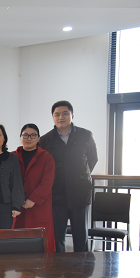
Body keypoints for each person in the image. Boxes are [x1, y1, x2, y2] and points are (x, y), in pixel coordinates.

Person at [39, 100, 98, 253]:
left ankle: (82, 267)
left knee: (81, 234)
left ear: (72, 116)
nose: (61, 117)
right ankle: (59, 267)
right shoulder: (45, 140)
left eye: (65, 113)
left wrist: (80, 175)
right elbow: (42, 165)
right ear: (53, 117)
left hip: (80, 192)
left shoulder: (85, 135)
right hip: (55, 194)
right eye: (57, 114)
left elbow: (92, 159)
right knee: (57, 236)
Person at [12, 123, 56, 251]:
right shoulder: (13, 156)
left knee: (40, 247)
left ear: (38, 138)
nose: (29, 138)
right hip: (18, 207)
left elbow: (47, 182)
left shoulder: (46, 157)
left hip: (39, 206)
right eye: (25, 135)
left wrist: (33, 199)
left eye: (33, 135)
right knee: (17, 246)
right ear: (21, 137)